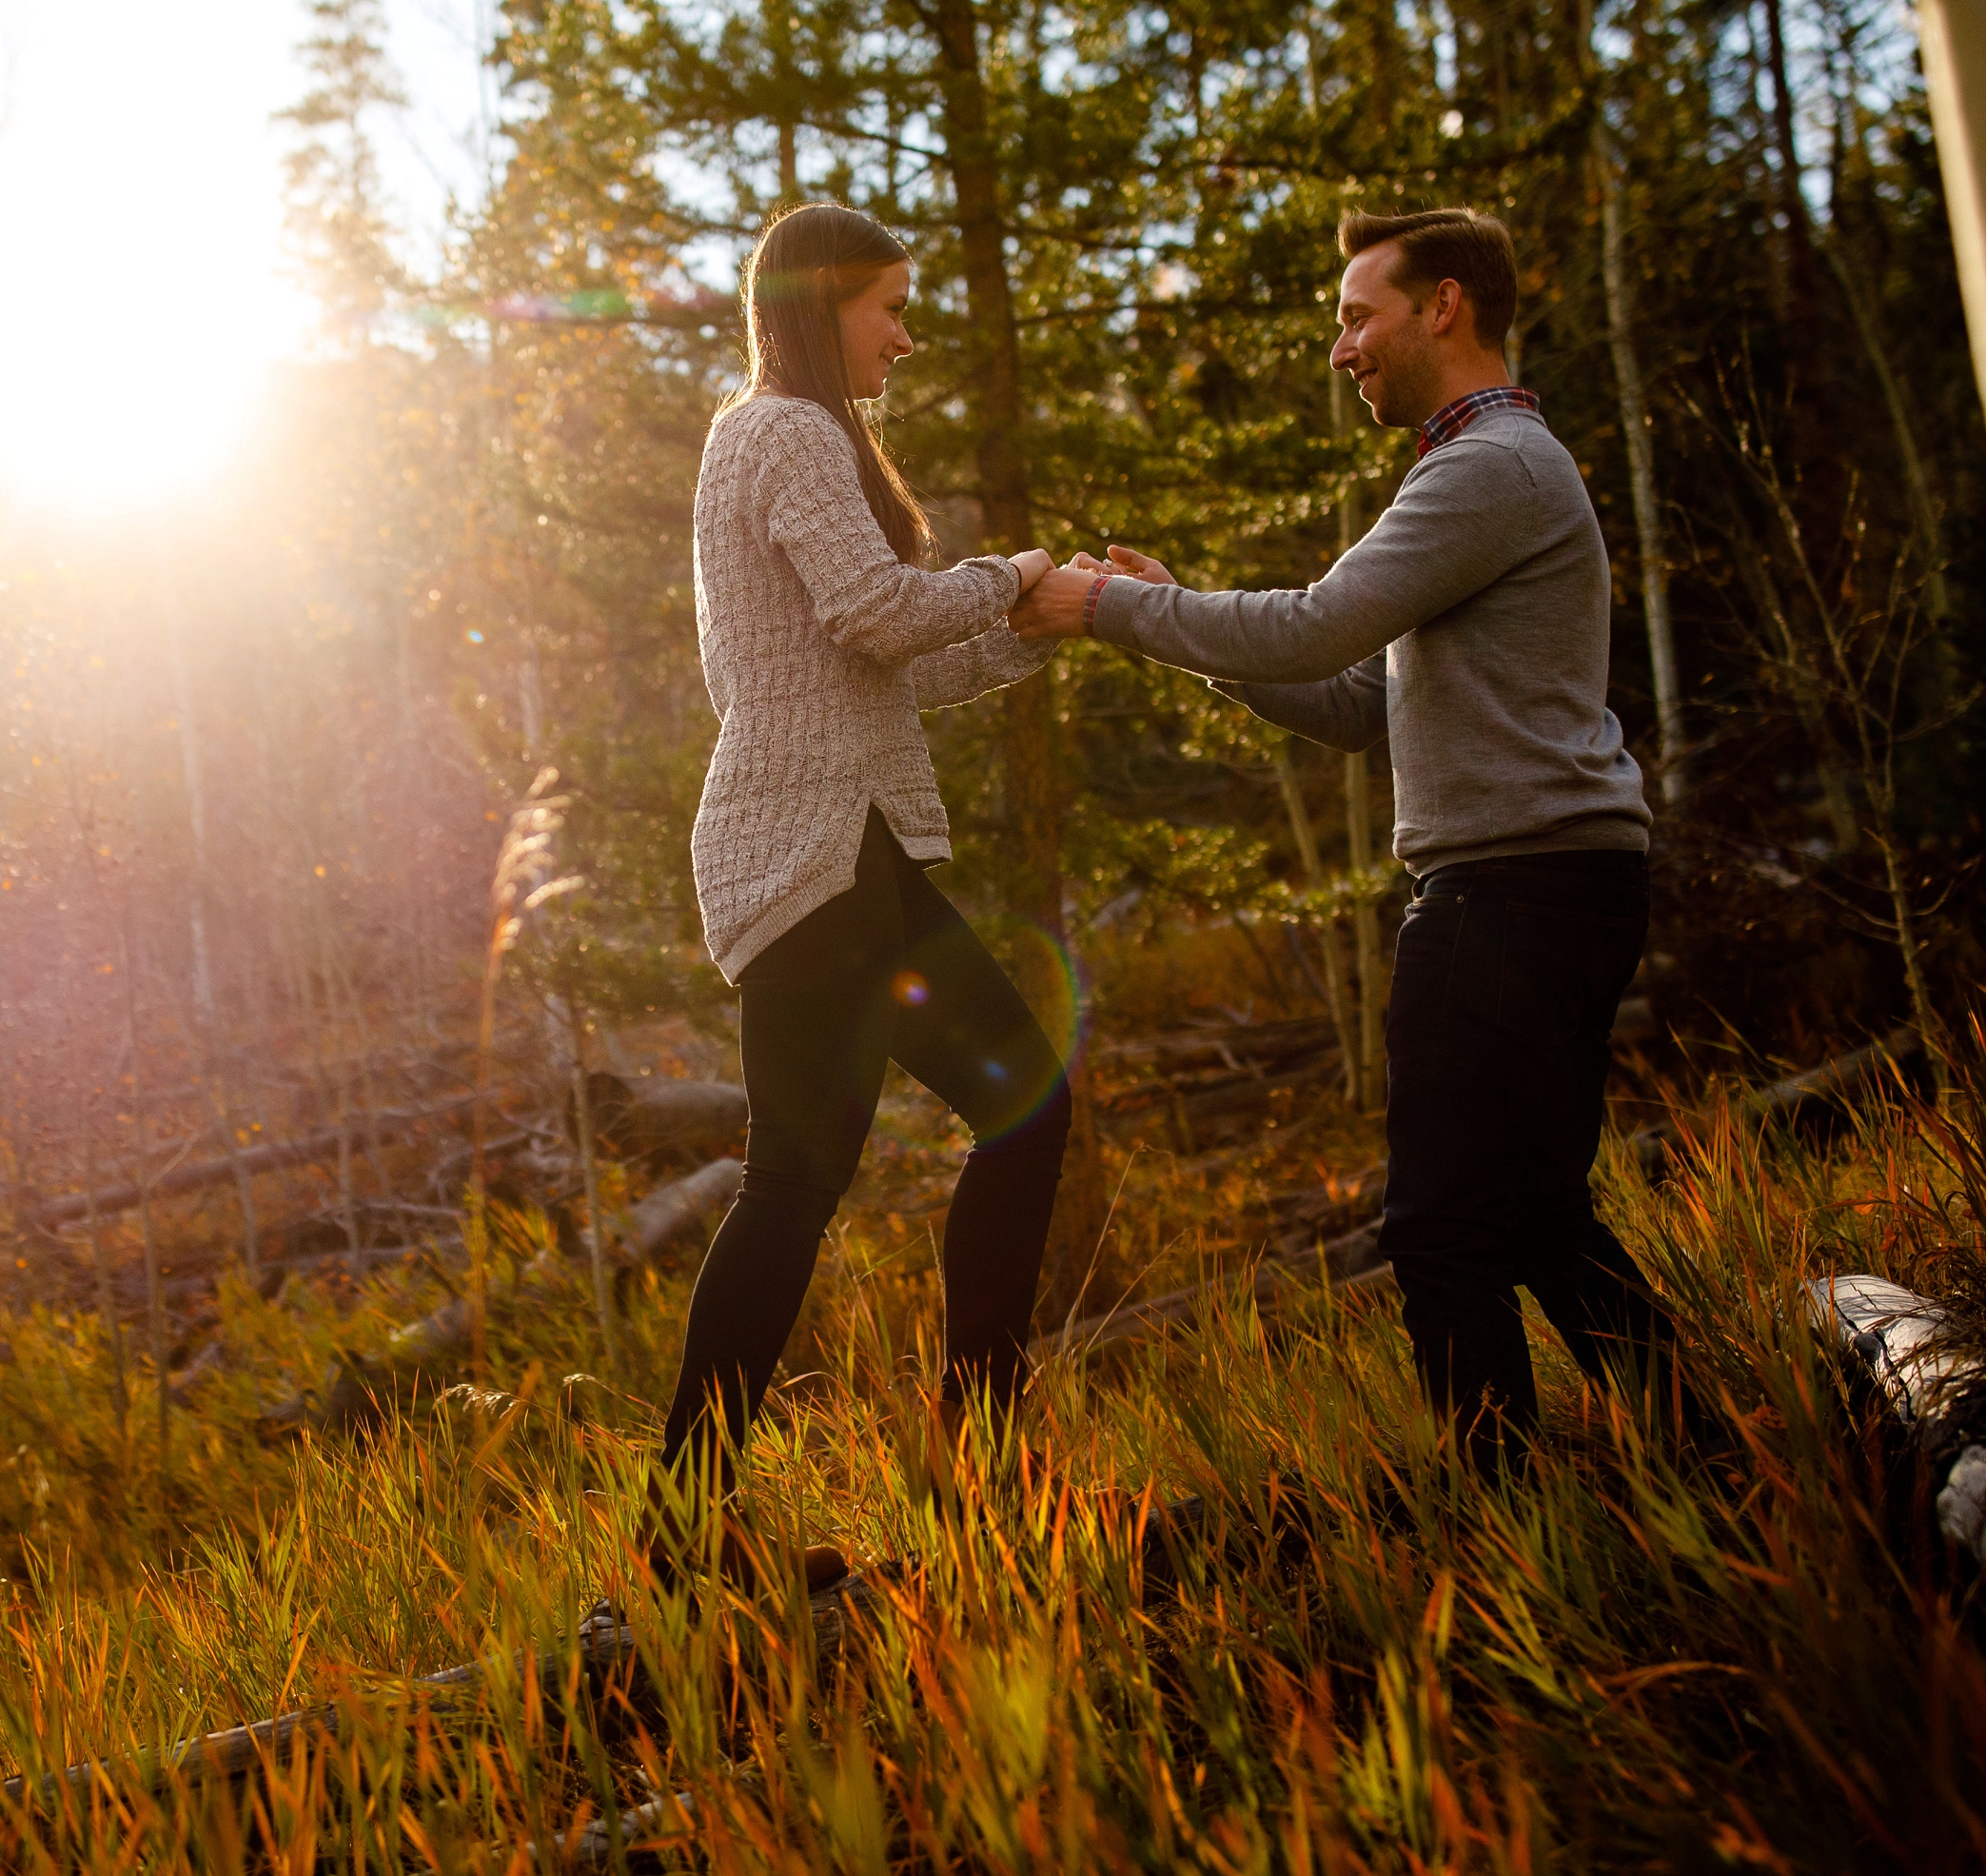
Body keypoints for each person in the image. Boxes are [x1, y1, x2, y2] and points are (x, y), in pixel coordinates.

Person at [1013, 207, 1674, 1478]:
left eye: (1358, 316)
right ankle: (1717, 1441)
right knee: (1536, 1214)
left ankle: (1514, 1534)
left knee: (1438, 1235)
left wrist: (1109, 606)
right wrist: (1170, 619)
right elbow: (1360, 699)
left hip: (1508, 890)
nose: (1341, 350)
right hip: (1553, 880)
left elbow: (1315, 626)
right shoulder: (1489, 468)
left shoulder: (1487, 466)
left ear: (1444, 308)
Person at [659, 202, 1075, 1583]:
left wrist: (1042, 623)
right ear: (822, 303)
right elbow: (885, 615)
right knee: (796, 1181)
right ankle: (682, 1538)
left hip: (861, 852)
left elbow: (892, 668)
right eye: (889, 303)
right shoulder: (781, 430)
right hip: (807, 857)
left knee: (1019, 1106)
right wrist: (1009, 571)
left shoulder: (792, 441)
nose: (905, 330)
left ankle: (975, 1467)